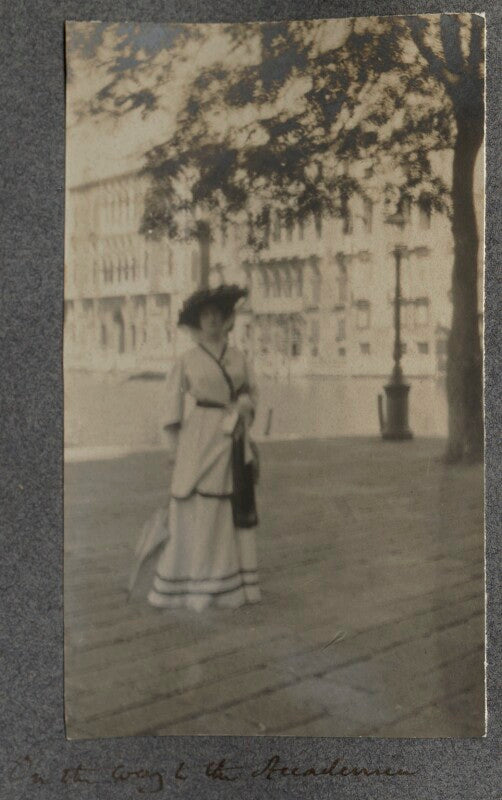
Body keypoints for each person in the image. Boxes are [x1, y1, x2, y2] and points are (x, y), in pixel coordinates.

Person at [147, 284, 261, 611]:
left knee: (226, 503)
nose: (212, 320)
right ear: (198, 322)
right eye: (206, 315)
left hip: (232, 434)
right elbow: (170, 406)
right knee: (194, 499)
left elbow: (251, 391)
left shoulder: (239, 358)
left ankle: (226, 582)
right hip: (199, 435)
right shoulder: (187, 360)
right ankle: (189, 580)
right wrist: (173, 448)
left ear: (226, 320)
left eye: (217, 315)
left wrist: (245, 405)